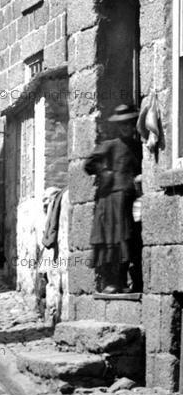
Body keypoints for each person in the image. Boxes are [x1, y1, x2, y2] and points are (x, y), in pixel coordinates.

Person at [84, 104, 142, 294]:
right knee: (111, 239)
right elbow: (88, 164)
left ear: (134, 125)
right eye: (123, 125)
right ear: (118, 126)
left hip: (128, 197)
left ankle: (123, 281)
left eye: (130, 124)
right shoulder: (110, 144)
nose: (126, 128)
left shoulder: (136, 146)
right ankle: (111, 281)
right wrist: (105, 171)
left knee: (126, 238)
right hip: (109, 199)